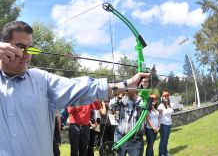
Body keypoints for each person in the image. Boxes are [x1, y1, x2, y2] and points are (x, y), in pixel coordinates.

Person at [0, 20, 150, 156]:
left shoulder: (41, 80)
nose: (27, 55)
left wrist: (127, 85)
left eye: (30, 49)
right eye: (20, 48)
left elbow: (84, 87)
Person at [109, 91, 144, 156]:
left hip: (135, 139)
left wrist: (134, 95)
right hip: (121, 138)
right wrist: (120, 94)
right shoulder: (122, 100)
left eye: (131, 88)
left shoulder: (139, 100)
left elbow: (144, 106)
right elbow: (111, 106)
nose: (129, 90)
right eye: (127, 88)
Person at [158, 91, 174, 156]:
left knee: (166, 140)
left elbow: (171, 111)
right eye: (164, 96)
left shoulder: (169, 105)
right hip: (163, 124)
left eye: (167, 96)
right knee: (163, 140)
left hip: (169, 124)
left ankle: (165, 152)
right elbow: (160, 115)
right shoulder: (160, 105)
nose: (166, 97)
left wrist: (168, 106)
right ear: (162, 97)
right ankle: (161, 153)